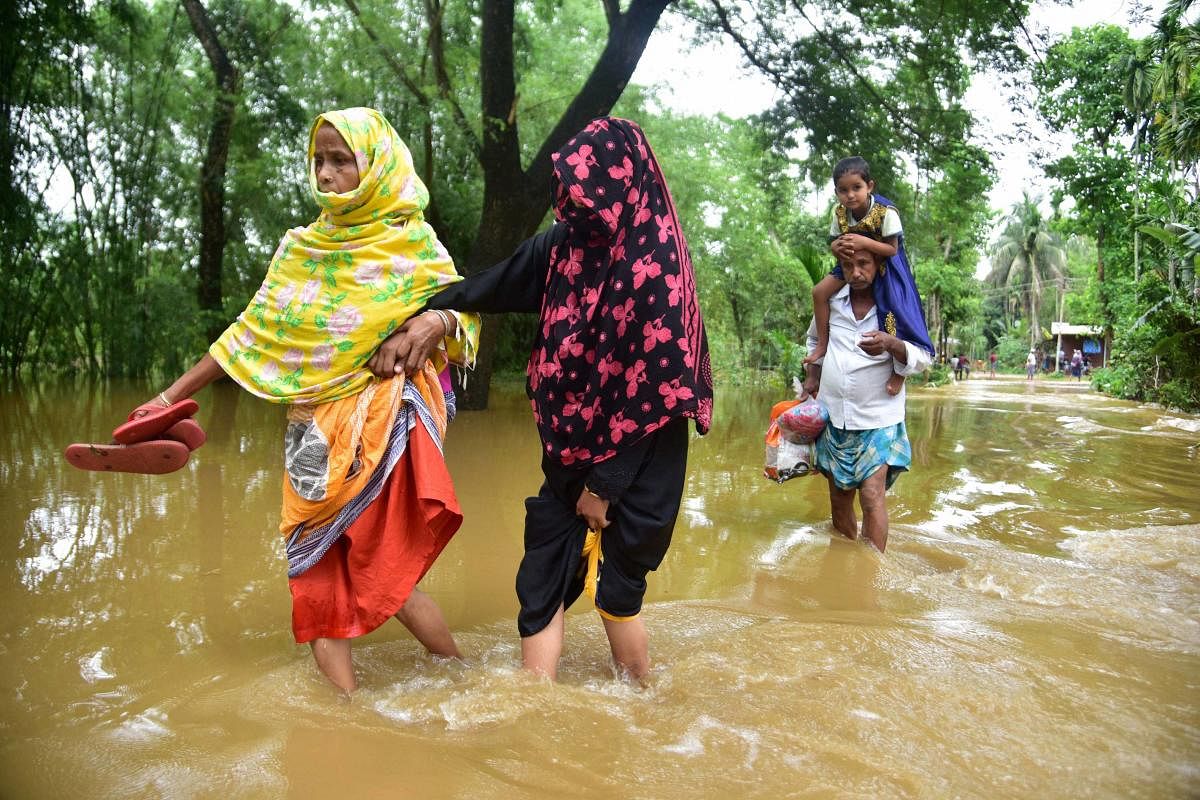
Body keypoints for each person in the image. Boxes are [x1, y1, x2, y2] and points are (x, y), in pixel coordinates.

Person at [128, 108, 481, 693]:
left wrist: (433, 322)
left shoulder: (412, 245)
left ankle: (459, 680)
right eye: (318, 160)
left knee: (380, 577)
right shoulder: (301, 251)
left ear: (375, 165)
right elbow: (249, 334)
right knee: (315, 578)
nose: (325, 173)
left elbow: (469, 321)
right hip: (312, 437)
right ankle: (347, 722)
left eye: (340, 160)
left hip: (382, 429)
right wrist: (166, 397)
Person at [370, 117, 713, 682]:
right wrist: (436, 315)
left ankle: (642, 699)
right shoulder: (562, 246)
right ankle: (534, 704)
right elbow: (490, 284)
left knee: (619, 590)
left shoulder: (658, 270)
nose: (573, 206)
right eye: (569, 191)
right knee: (540, 578)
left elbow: (660, 390)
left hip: (641, 460)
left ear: (621, 183)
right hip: (569, 450)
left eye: (586, 191)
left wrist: (605, 487)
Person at [801, 247, 930, 552]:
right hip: (833, 415)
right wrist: (813, 376)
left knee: (872, 496)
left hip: (879, 417)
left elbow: (924, 357)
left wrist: (891, 344)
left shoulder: (896, 307)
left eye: (863, 264)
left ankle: (871, 572)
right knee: (839, 497)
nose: (856, 273)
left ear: (878, 265)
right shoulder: (832, 302)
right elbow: (814, 339)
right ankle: (847, 567)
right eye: (848, 266)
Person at [803, 156, 933, 397]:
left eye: (856, 188)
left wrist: (865, 242)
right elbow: (835, 243)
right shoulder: (839, 213)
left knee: (892, 309)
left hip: (886, 263)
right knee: (819, 291)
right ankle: (822, 344)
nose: (850, 195)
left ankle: (899, 371)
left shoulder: (885, 212)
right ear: (836, 192)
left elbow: (892, 249)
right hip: (852, 260)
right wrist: (836, 250)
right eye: (843, 190)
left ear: (870, 186)